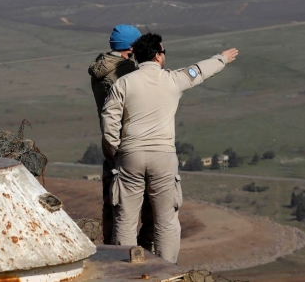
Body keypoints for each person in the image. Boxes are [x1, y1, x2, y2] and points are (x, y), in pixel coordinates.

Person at [101, 32, 238, 263]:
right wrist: (222, 58)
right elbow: (199, 71)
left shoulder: (123, 83)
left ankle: (124, 270)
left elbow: (109, 119)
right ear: (157, 56)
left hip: (130, 155)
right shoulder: (173, 79)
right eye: (163, 52)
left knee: (125, 218)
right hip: (163, 158)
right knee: (165, 220)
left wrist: (115, 151)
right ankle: (166, 270)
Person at [88, 24, 153, 248]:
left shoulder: (102, 66)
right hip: (130, 147)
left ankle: (112, 254)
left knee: (113, 205)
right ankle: (140, 258)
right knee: (141, 209)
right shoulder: (124, 72)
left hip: (111, 146)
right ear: (131, 48)